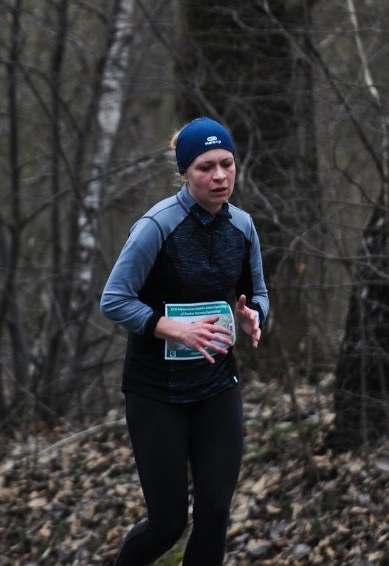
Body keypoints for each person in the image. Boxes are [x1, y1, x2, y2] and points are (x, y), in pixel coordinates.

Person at [100, 117, 269, 565]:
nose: (219, 176)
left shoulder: (243, 227)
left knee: (215, 512)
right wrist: (167, 326)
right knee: (168, 523)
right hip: (156, 392)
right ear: (185, 173)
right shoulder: (156, 226)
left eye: (226, 164)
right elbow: (113, 300)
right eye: (205, 167)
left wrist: (254, 315)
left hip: (216, 385)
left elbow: (259, 293)